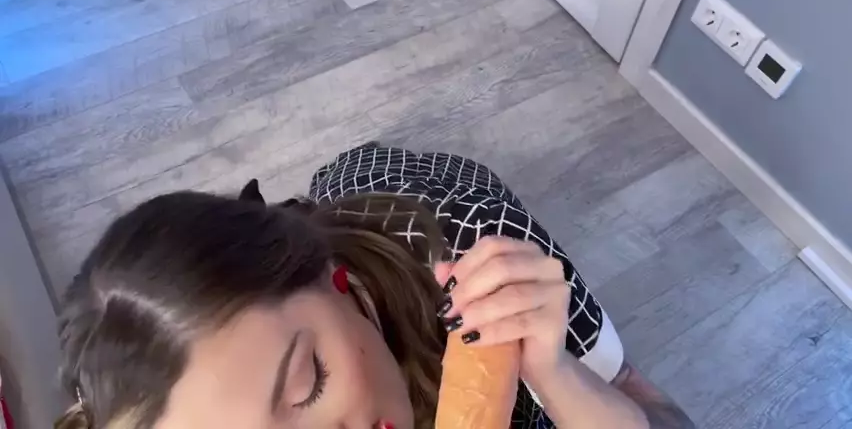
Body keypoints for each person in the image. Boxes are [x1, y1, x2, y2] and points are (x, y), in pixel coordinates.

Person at [54, 143, 694, 429]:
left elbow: (660, 413)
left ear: (336, 281)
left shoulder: (480, 254)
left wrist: (558, 376)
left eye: (310, 384)